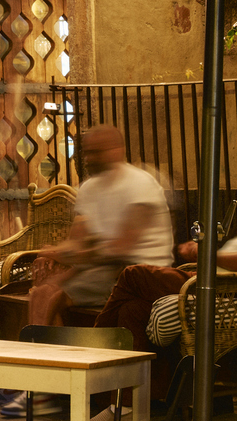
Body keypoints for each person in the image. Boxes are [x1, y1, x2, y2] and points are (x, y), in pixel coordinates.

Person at [95, 137, 237, 360]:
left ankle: (92, 350)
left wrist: (207, 254)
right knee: (132, 310)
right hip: (219, 279)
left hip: (230, 287)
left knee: (134, 275)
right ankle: (135, 382)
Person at [25, 125, 173, 332]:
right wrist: (50, 253)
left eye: (96, 152)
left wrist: (67, 255)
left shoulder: (140, 184)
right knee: (41, 292)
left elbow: (121, 248)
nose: (89, 159)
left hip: (139, 272)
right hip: (102, 268)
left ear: (117, 150)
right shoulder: (88, 188)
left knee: (51, 295)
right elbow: (78, 241)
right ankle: (50, 350)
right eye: (87, 152)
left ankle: (36, 348)